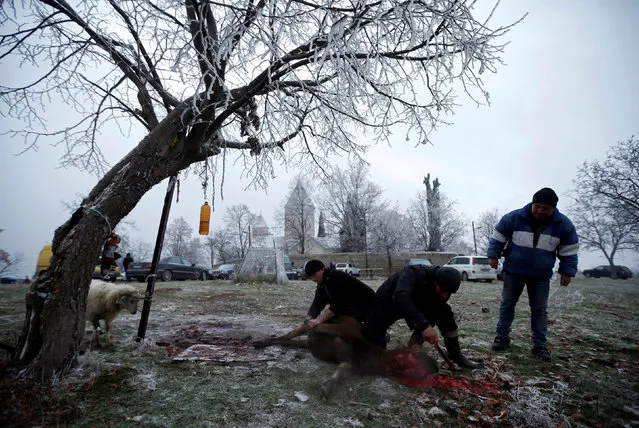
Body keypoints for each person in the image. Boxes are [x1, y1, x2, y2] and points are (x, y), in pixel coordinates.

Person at [487, 187, 579, 362]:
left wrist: (567, 271)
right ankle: (502, 336)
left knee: (539, 310)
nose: (540, 211)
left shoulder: (564, 225)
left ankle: (539, 345)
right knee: (507, 304)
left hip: (541, 276)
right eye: (537, 206)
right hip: (514, 271)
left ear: (553, 209)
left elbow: (569, 250)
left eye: (546, 208)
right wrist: (493, 255)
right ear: (532, 203)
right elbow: (498, 237)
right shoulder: (514, 218)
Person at [361, 264, 480, 369]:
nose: (445, 295)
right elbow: (401, 297)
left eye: (448, 293)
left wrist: (420, 336)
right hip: (390, 301)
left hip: (419, 302)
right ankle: (381, 338)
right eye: (443, 290)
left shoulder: (443, 289)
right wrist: (424, 326)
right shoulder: (413, 272)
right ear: (435, 282)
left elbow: (432, 312)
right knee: (371, 340)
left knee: (445, 313)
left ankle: (455, 353)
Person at [303, 259, 376, 329]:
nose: (313, 279)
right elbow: (318, 301)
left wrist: (319, 320)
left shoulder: (336, 278)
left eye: (314, 275)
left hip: (367, 306)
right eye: (310, 276)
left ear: (322, 270)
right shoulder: (323, 283)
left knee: (331, 321)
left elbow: (338, 304)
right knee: (328, 320)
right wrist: (309, 318)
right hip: (350, 307)